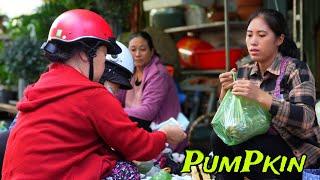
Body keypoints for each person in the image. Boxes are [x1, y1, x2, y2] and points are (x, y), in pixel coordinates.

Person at [2, 9, 186, 180]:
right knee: (126, 172)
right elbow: (138, 147)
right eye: (103, 54)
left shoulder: (41, 85)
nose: (104, 64)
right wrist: (164, 135)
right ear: (85, 54)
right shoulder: (90, 94)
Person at [212, 9, 319, 180]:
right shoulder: (244, 72)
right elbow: (230, 123)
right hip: (260, 153)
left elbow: (306, 119)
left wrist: (262, 97)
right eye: (249, 35)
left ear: (279, 39)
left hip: (297, 156)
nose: (253, 42)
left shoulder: (295, 69)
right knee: (220, 138)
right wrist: (224, 94)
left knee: (254, 145)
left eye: (261, 35)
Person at [117, 31, 181, 131]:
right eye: (133, 50)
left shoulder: (159, 74)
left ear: (152, 51)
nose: (137, 54)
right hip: (133, 122)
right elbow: (116, 98)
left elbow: (148, 112)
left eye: (143, 49)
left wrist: (116, 112)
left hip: (158, 128)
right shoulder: (129, 71)